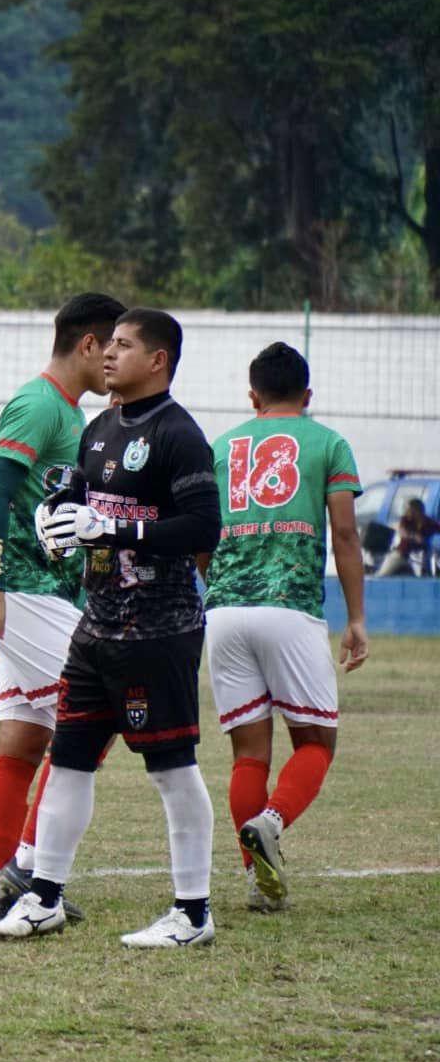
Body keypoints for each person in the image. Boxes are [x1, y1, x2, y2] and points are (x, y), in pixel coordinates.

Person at [0, 308, 222, 948]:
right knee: (68, 762)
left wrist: (117, 530)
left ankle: (192, 913)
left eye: (123, 345)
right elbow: (80, 503)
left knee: (172, 768)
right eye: (108, 343)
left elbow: (203, 531)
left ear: (158, 361)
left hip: (160, 628)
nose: (108, 354)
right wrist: (53, 519)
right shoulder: (97, 429)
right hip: (97, 625)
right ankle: (44, 899)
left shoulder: (181, 434)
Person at [0, 292, 121, 922]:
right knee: (99, 713)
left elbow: (27, 501)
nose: (115, 359)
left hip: (43, 591)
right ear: (88, 343)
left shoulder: (70, 413)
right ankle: (27, 865)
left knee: (25, 736)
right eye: (112, 347)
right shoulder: (38, 404)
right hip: (25, 594)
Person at [203, 341, 369, 911]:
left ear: (253, 397)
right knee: (317, 742)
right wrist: (357, 619)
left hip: (223, 612)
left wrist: (218, 585)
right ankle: (271, 821)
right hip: (290, 607)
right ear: (308, 394)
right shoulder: (328, 442)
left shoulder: (221, 447)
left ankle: (259, 883)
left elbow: (201, 534)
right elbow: (345, 535)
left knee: (249, 754)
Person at [378, 498, 439, 577]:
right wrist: (414, 537)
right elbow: (403, 532)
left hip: (419, 558)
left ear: (417, 511)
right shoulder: (405, 520)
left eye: (409, 510)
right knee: (382, 575)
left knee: (423, 576)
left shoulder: (430, 523)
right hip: (401, 555)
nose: (406, 512)